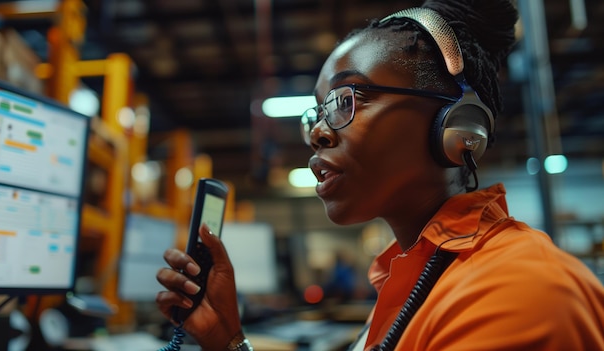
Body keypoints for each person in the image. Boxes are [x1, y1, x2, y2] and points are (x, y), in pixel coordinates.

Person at [155, 0, 604, 350]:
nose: (317, 133)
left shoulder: (519, 293)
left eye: (345, 100)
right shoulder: (410, 274)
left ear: (457, 125)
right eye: (316, 112)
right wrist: (229, 340)